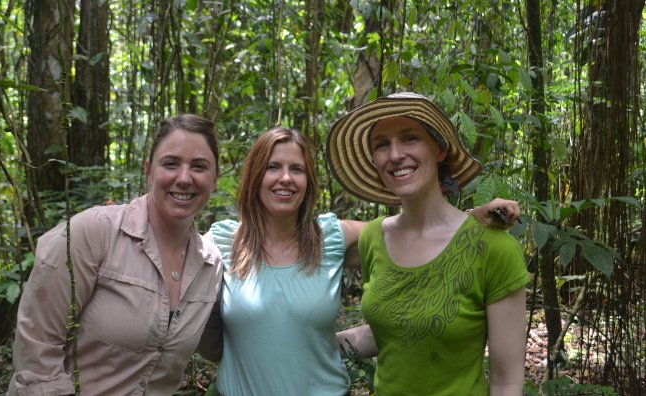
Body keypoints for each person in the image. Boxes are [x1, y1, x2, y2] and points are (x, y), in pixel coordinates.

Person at [205, 126, 521, 395]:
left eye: (297, 169)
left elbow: (422, 239)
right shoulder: (222, 243)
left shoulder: (329, 238)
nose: (285, 178)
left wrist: (466, 222)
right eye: (273, 167)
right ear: (254, 176)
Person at [327, 92, 529, 395]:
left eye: (410, 138)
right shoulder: (373, 239)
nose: (395, 155)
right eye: (382, 144)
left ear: (439, 150)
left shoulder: (493, 248)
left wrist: (470, 219)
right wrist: (308, 345)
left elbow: (507, 382)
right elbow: (391, 334)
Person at [8, 114, 223, 395]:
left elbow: (222, 344)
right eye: (171, 164)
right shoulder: (95, 233)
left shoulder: (210, 266)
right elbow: (36, 349)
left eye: (199, 166)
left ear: (215, 179)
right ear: (149, 171)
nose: (184, 178)